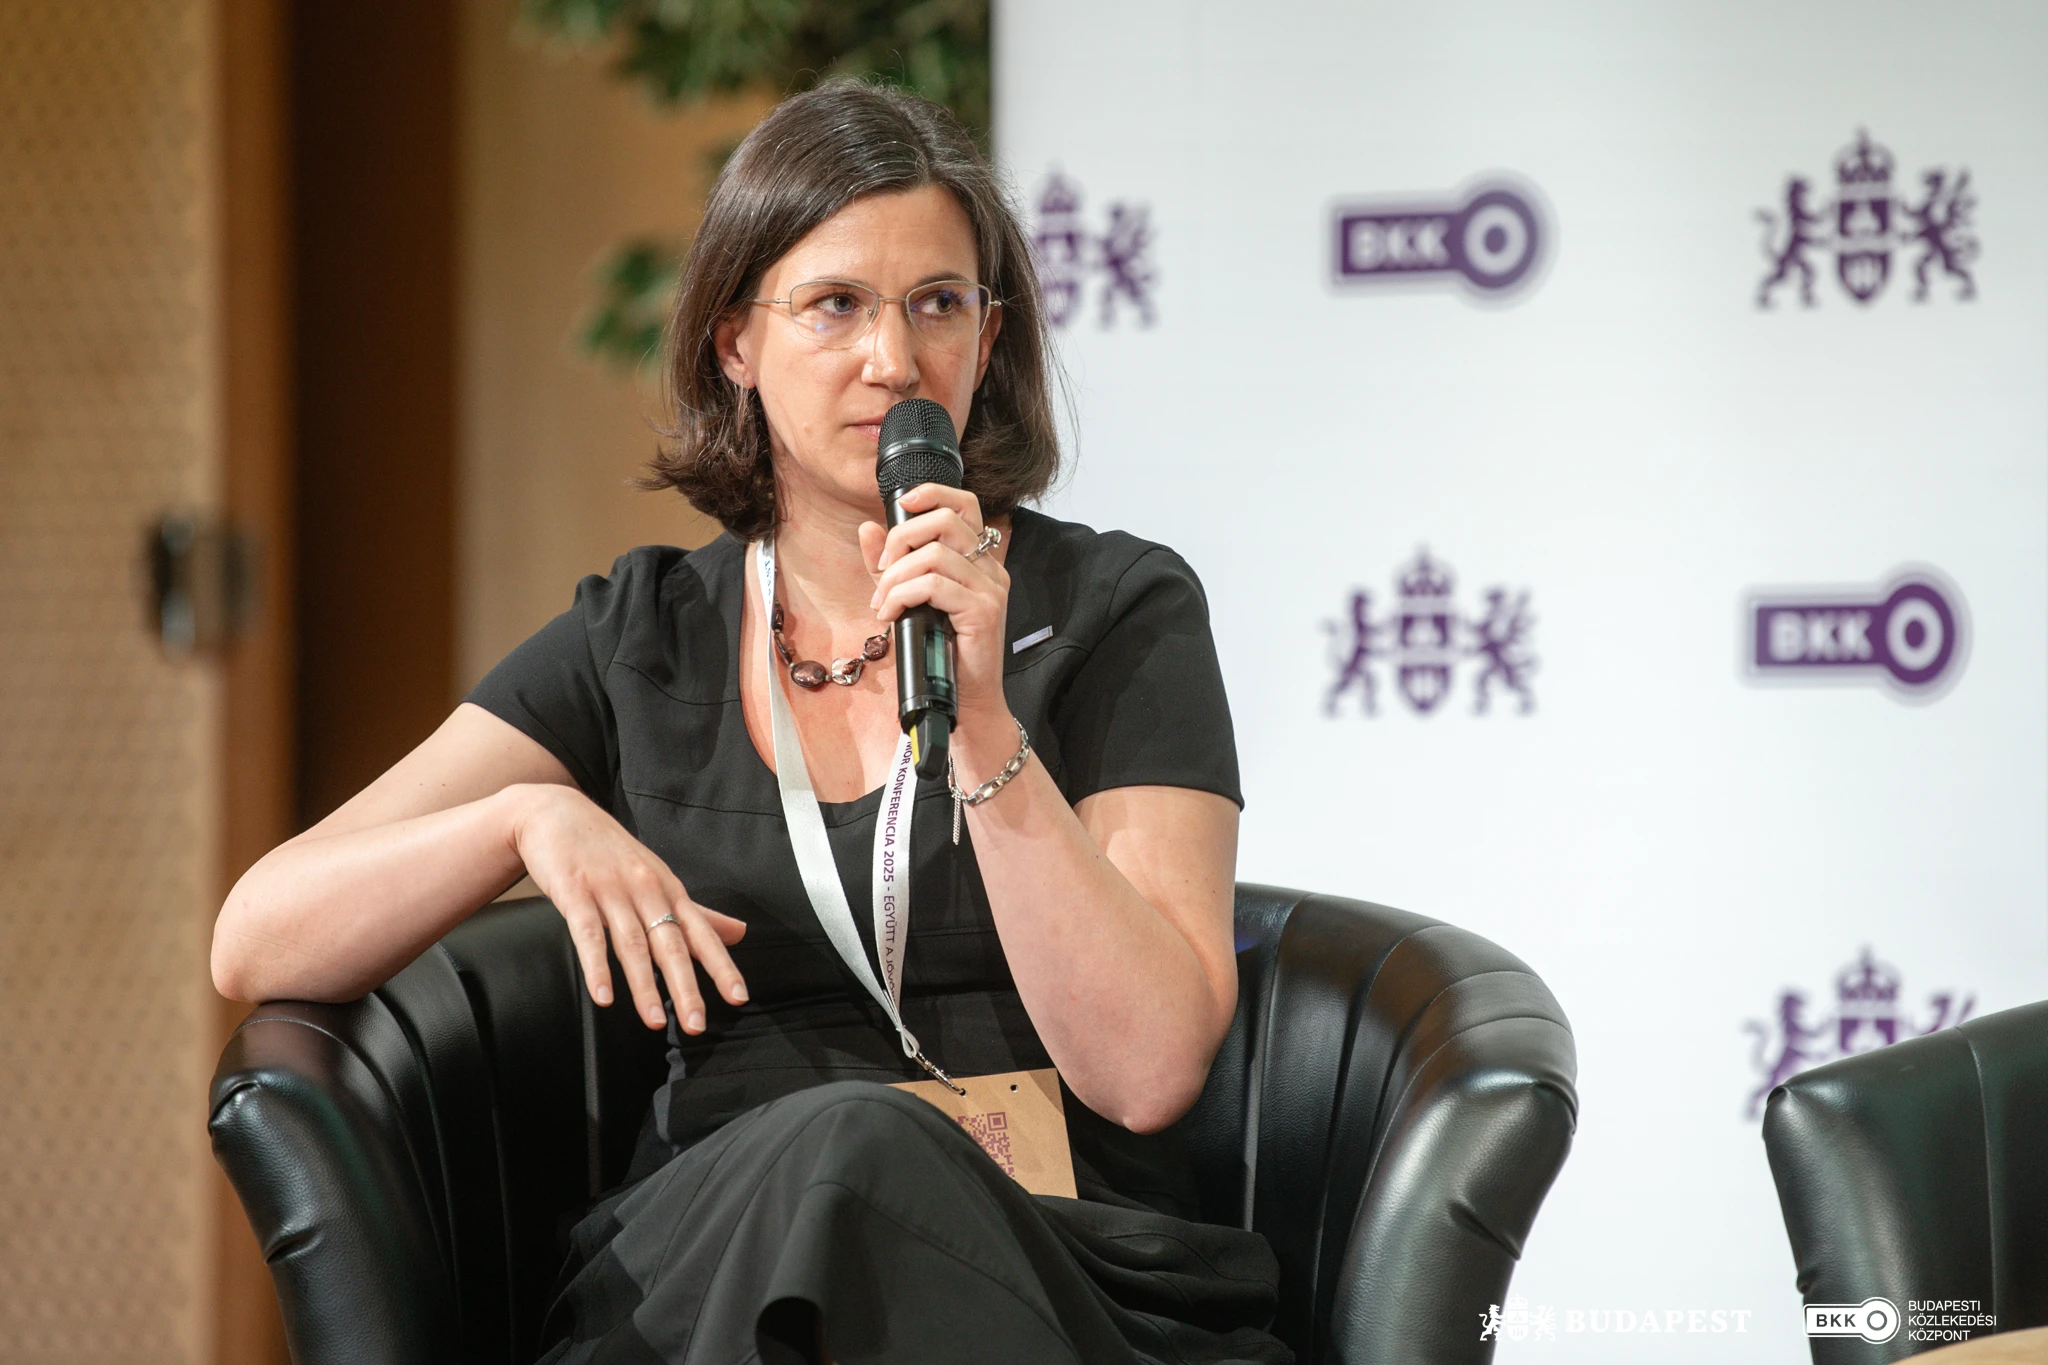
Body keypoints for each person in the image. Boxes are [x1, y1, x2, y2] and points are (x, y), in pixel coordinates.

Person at [212, 80, 1287, 1365]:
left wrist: (984, 726)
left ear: (988, 337)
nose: (894, 360)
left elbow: (1148, 1070)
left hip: (1052, 1263)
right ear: (733, 341)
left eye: (938, 304)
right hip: (711, 1270)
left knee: (870, 1151)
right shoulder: (643, 637)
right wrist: (519, 821)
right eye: (834, 306)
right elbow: (257, 935)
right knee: (844, 1154)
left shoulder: (1116, 608)